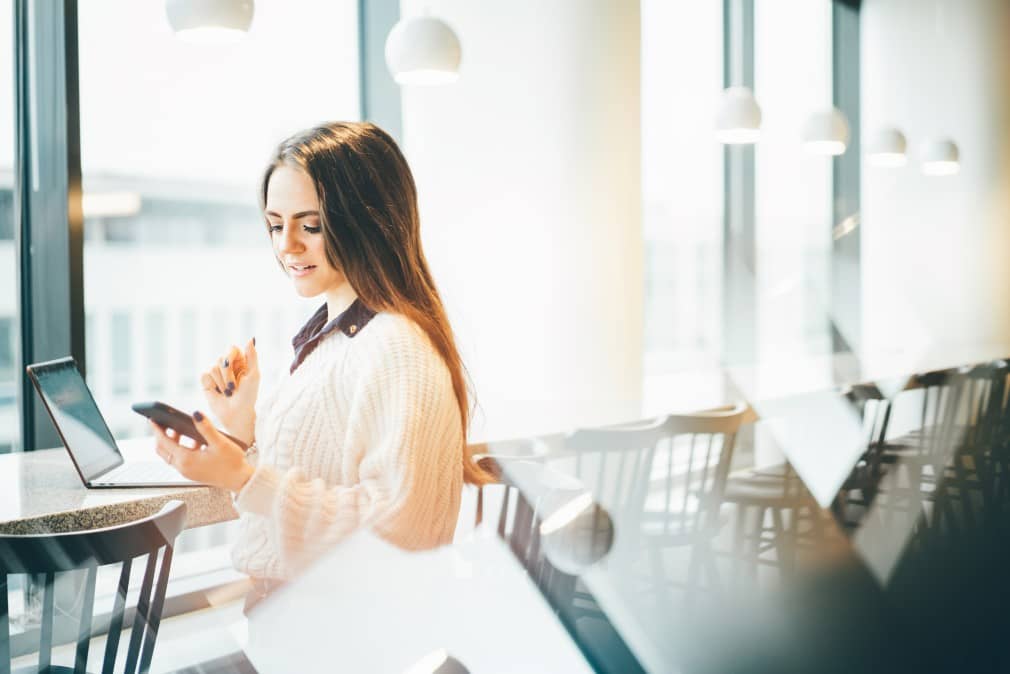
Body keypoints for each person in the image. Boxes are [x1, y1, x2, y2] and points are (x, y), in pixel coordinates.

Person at [151, 121, 491, 591]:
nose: (286, 244)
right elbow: (323, 469)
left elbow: (399, 528)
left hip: (341, 634)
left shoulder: (395, 346)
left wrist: (245, 478)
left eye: (310, 226)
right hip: (303, 620)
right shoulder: (339, 338)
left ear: (368, 223)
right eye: (275, 224)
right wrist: (246, 428)